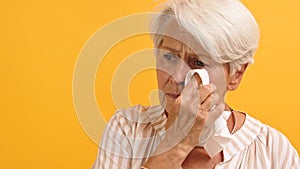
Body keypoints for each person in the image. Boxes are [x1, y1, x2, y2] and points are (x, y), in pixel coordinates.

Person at [92, 0, 300, 168]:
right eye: (169, 57)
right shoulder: (128, 128)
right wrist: (176, 144)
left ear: (236, 74)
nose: (177, 76)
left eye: (198, 62)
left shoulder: (272, 150)